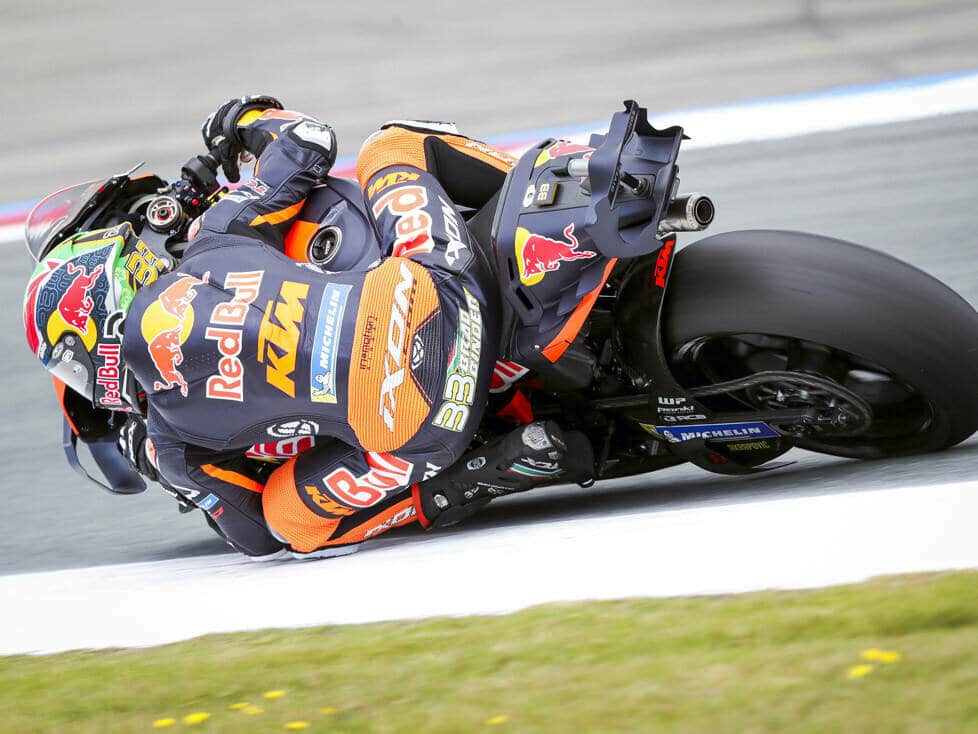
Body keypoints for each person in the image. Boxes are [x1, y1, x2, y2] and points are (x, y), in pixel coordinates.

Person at [23, 96, 594, 560]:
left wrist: (167, 468)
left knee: (288, 523)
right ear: (128, 273)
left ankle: (490, 471)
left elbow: (255, 537)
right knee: (390, 145)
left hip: (430, 429)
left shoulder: (172, 443)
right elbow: (310, 140)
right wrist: (244, 121)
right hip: (452, 290)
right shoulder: (214, 237)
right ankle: (560, 189)